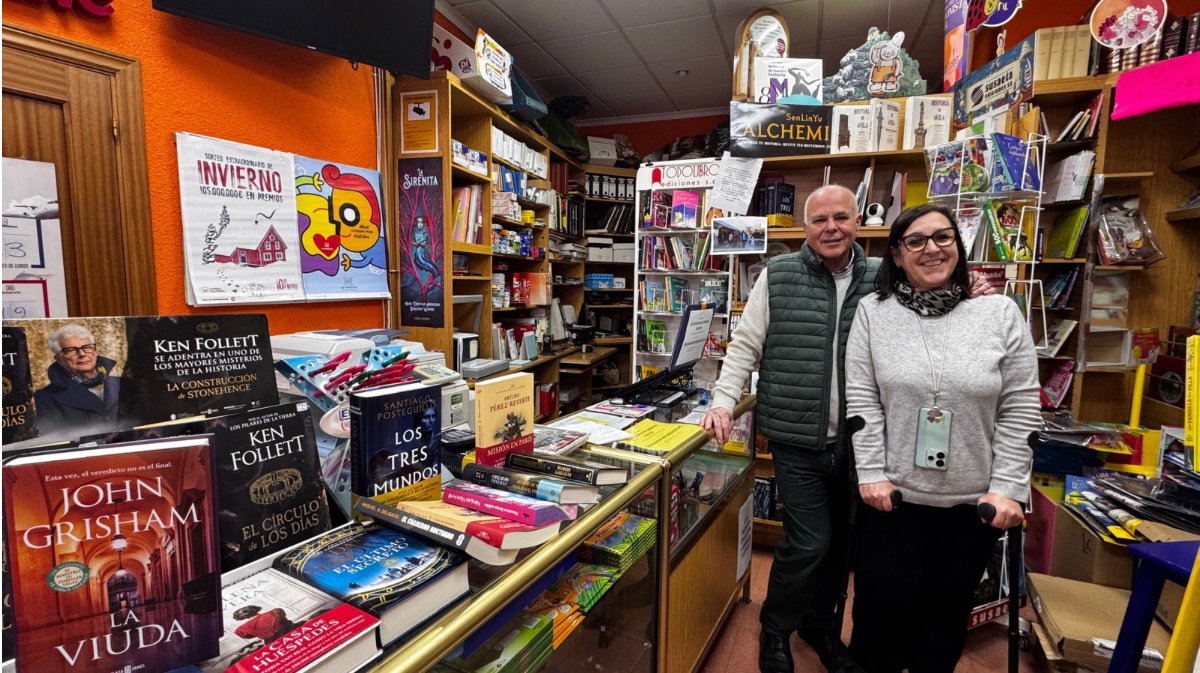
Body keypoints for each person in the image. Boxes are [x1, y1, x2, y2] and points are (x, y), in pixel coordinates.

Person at [700, 186, 991, 673]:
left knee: (843, 545)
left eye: (841, 217)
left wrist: (970, 292)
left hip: (862, 445)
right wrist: (723, 402)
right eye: (819, 220)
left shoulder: (884, 276)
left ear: (859, 223)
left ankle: (821, 625)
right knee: (808, 541)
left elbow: (933, 305)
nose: (830, 227)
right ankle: (777, 628)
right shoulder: (778, 274)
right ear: (805, 227)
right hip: (795, 440)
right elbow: (744, 346)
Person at [843, 203, 1039, 673]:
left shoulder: (999, 313)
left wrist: (1009, 487)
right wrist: (870, 473)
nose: (931, 248)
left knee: (944, 618)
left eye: (943, 237)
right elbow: (862, 399)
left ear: (958, 244)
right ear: (896, 254)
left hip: (973, 503)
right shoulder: (874, 312)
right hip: (891, 498)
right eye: (916, 240)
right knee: (879, 616)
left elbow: (1021, 407)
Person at [34, 324, 121, 433]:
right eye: (71, 350)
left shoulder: (123, 384)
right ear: (58, 359)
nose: (82, 354)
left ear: (95, 351)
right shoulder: (46, 398)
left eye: (87, 347)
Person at [232, 605, 297, 642]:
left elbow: (247, 636)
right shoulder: (276, 611)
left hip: (273, 643)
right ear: (254, 609)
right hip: (295, 631)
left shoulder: (241, 630)